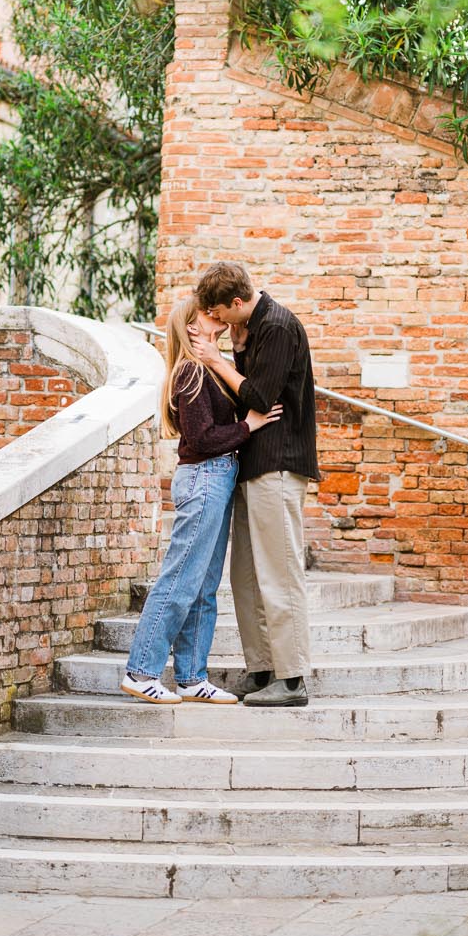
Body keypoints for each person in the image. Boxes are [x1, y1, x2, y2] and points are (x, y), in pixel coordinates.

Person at [122, 295, 282, 704]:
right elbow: (202, 439)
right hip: (204, 478)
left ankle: (192, 678)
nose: (216, 316)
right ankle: (141, 672)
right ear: (190, 327)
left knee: (205, 585)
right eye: (206, 314)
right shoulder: (189, 372)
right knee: (180, 580)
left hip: (218, 478)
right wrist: (248, 426)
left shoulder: (207, 367)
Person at [191, 262, 319, 708]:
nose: (218, 323)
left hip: (279, 465)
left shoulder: (280, 327)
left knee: (280, 574)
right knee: (245, 577)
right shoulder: (249, 329)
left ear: (239, 303)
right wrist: (235, 349)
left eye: (221, 315)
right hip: (252, 464)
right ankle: (263, 669)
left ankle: (292, 677)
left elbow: (262, 398)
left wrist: (217, 360)